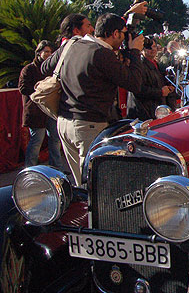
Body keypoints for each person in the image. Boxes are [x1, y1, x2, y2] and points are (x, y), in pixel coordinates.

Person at [41, 12, 145, 185]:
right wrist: (134, 51)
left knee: (80, 183)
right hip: (88, 125)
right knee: (95, 185)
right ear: (115, 34)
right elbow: (134, 84)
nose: (124, 39)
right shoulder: (101, 54)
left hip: (64, 122)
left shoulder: (73, 44)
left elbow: (45, 67)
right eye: (123, 34)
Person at [18, 40, 64, 170]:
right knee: (36, 141)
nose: (48, 54)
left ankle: (56, 168)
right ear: (39, 53)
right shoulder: (29, 69)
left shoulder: (53, 70)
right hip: (35, 111)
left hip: (50, 110)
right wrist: (40, 91)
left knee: (55, 139)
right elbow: (23, 88)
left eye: (50, 52)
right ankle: (30, 169)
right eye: (46, 52)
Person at [127, 37, 175, 120]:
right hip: (144, 112)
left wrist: (170, 87)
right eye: (149, 47)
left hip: (155, 109)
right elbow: (139, 89)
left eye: (154, 46)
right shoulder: (140, 65)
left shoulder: (157, 64)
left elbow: (159, 82)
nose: (153, 49)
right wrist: (160, 92)